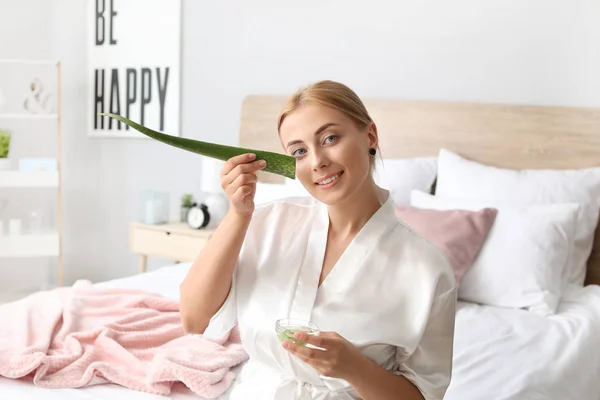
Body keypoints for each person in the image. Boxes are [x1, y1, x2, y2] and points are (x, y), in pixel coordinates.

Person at [179, 80, 457, 400]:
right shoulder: (266, 224)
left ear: (370, 136)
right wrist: (238, 215)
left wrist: (355, 367)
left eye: (330, 138)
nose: (316, 161)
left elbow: (422, 395)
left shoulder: (426, 269)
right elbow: (194, 320)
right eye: (299, 151)